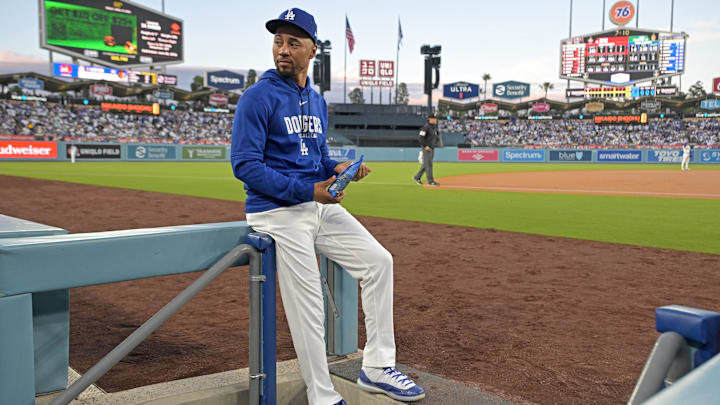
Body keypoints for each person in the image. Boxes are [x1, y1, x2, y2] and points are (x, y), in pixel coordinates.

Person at [230, 8, 425, 405]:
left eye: (293, 42)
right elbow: (245, 166)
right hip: (276, 211)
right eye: (278, 41)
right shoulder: (258, 97)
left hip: (315, 203)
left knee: (378, 262)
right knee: (309, 305)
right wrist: (308, 191)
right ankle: (322, 396)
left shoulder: (316, 101)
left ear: (312, 50)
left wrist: (337, 167)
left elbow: (315, 156)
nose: (283, 49)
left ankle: (376, 368)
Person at [413, 115, 440, 186]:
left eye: (435, 119)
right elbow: (420, 137)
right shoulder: (426, 127)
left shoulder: (434, 127)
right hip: (427, 148)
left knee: (426, 164)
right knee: (429, 165)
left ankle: (417, 177)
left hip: (432, 148)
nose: (435, 120)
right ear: (430, 119)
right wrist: (425, 146)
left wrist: (436, 142)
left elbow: (436, 136)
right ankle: (431, 181)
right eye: (434, 119)